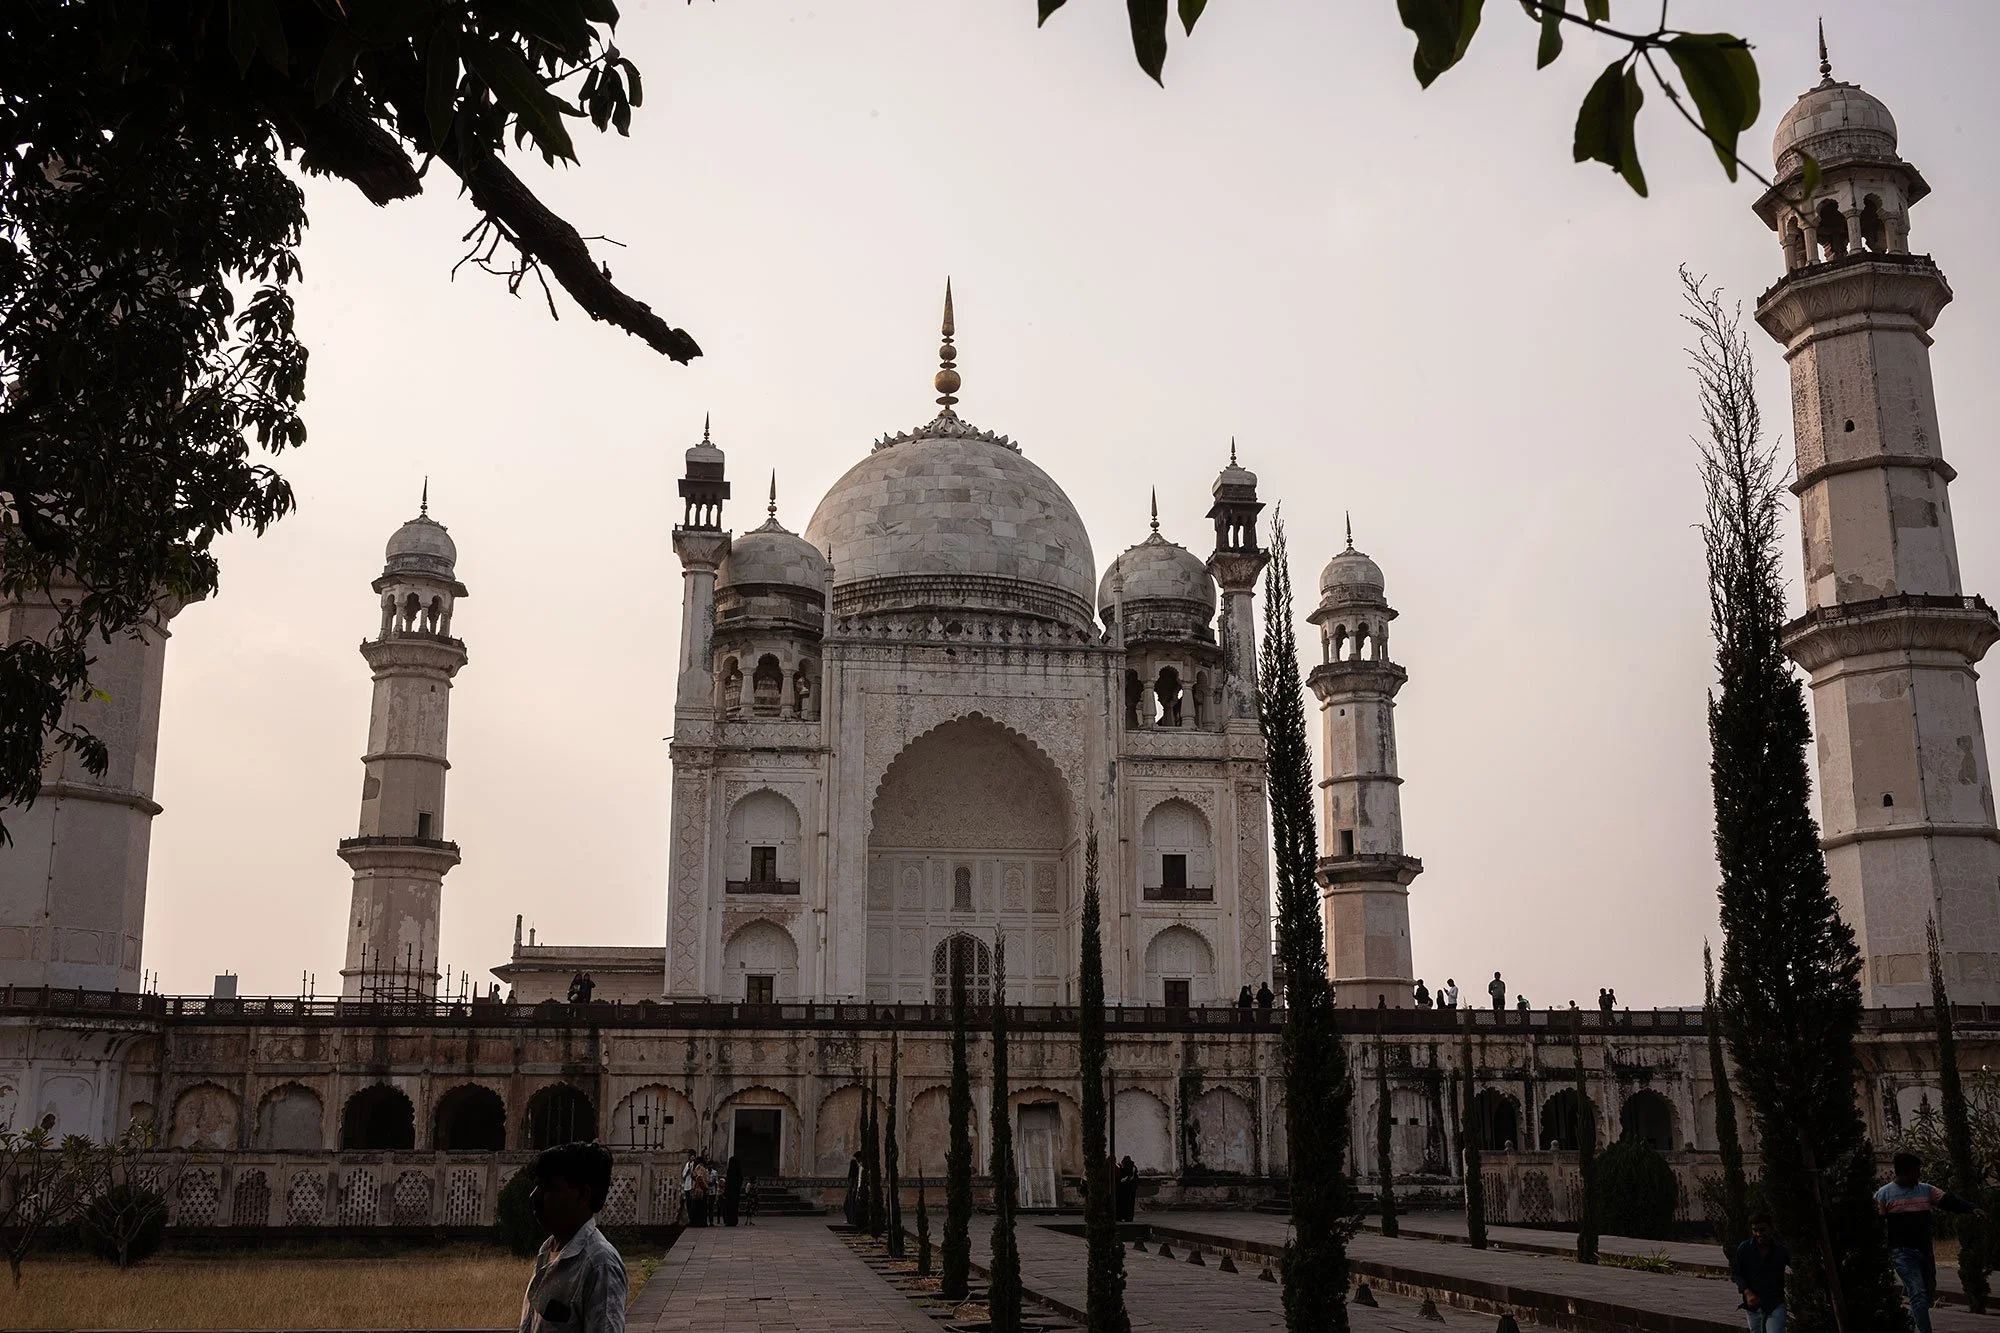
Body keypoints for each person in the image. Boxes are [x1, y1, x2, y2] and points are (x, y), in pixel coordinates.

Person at [521, 1141, 628, 1333]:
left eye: (547, 1187)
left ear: (583, 1195)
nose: (534, 1196)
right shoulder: (548, 1251)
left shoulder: (599, 1264)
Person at [1877, 1150, 1985, 1333]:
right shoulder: (1884, 1194)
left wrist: (1972, 1209)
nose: (1919, 1175)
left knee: (1927, 1296)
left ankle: (1908, 1320)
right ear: (1904, 1173)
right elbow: (1876, 1224)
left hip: (1925, 1251)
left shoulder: (1926, 1190)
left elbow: (1949, 1201)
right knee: (1918, 1293)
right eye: (1916, 1172)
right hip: (1902, 1253)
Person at [1730, 1212, 1789, 1332]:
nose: (1758, 1234)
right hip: (1754, 1306)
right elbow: (1736, 1273)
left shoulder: (1780, 1250)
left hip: (1775, 1303)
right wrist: (1747, 1292)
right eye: (1755, 1230)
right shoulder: (1745, 1249)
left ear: (1770, 1228)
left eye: (1762, 1230)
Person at [687, 1154, 710, 1228]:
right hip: (700, 1190)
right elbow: (700, 1178)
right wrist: (705, 1187)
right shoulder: (701, 1168)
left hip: (695, 1189)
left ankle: (696, 1222)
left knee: (696, 1206)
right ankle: (700, 1222)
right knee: (701, 1207)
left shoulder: (696, 1168)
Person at [1115, 1155, 1139, 1223]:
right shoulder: (1133, 1168)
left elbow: (1123, 1178)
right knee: (1130, 1205)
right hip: (1132, 1190)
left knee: (1123, 1204)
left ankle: (1122, 1217)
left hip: (1124, 1189)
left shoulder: (1125, 1168)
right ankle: (1129, 1218)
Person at [721, 1155, 743, 1227]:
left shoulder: (730, 1171)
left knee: (729, 1207)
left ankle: (729, 1221)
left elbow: (728, 1182)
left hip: (730, 1192)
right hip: (736, 1192)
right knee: (735, 1207)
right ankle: (734, 1220)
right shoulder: (739, 1171)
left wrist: (725, 1191)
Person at [843, 1150, 862, 1227]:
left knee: (851, 1204)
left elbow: (853, 1178)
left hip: (854, 1187)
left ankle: (852, 1219)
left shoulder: (857, 1165)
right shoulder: (855, 1164)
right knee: (848, 1204)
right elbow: (852, 1177)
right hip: (853, 1187)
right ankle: (851, 1219)